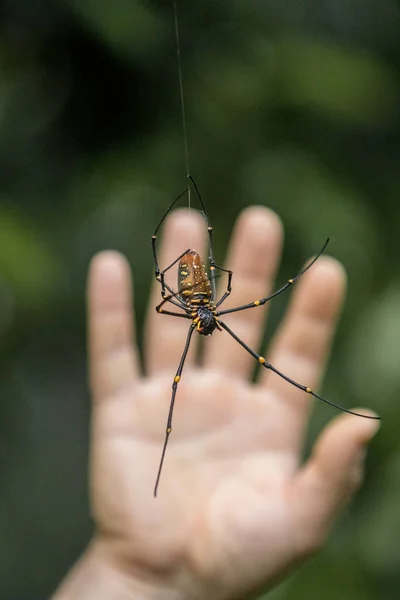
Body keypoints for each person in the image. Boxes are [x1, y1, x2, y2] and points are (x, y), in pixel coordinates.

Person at [52, 206, 380, 600]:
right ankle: (161, 469)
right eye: (206, 325)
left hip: (199, 294)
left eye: (208, 325)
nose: (208, 328)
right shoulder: (199, 311)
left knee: (258, 332)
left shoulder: (214, 309)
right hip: (196, 295)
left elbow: (236, 295)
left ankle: (313, 389)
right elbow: (164, 297)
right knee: (176, 380)